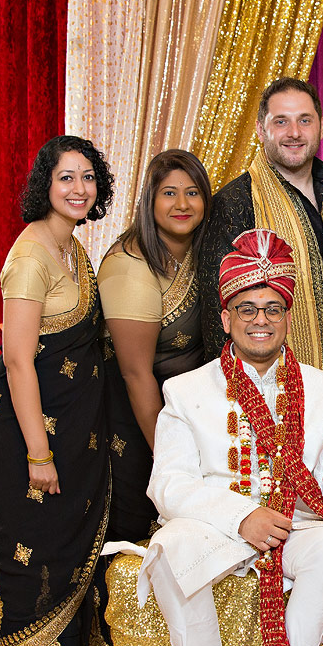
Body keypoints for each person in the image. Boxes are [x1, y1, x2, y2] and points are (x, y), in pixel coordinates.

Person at [139, 229, 323, 646]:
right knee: (168, 549)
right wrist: (241, 516)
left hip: (296, 525)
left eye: (272, 308)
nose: (260, 320)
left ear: (287, 316)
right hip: (217, 529)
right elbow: (167, 482)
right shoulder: (185, 390)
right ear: (226, 319)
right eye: (247, 309)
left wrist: (286, 517)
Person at [0, 135, 118, 646]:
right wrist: (40, 453)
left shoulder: (75, 253)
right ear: (46, 185)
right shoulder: (31, 254)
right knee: (33, 548)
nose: (78, 189)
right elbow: (18, 361)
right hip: (31, 433)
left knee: (73, 545)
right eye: (66, 178)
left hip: (78, 432)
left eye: (88, 178)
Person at [197, 78, 323, 377]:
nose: (294, 133)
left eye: (304, 121)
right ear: (260, 129)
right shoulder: (235, 203)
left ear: (321, 127)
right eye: (281, 121)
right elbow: (216, 318)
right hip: (266, 391)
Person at [97, 149, 211, 544]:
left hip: (188, 410)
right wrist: (169, 455)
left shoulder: (203, 253)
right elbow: (134, 372)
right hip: (136, 414)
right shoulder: (131, 263)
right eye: (169, 193)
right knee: (143, 524)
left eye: (193, 192)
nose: (182, 204)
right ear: (150, 200)